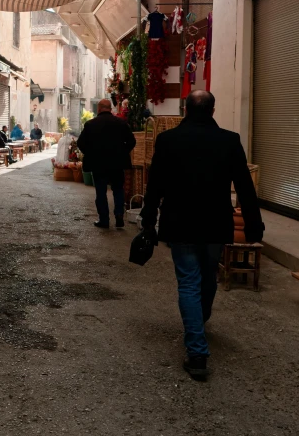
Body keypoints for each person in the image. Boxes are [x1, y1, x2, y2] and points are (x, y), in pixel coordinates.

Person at [140, 90, 264, 380]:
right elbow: (245, 187)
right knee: (208, 277)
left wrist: (148, 218)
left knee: (188, 282)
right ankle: (198, 328)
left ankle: (197, 350)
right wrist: (254, 224)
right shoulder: (229, 141)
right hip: (214, 225)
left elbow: (155, 184)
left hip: (180, 223)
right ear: (213, 110)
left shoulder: (168, 140)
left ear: (185, 109)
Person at [77, 98, 136, 229]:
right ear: (110, 109)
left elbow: (80, 143)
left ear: (99, 109)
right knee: (118, 189)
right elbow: (132, 141)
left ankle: (104, 220)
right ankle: (119, 215)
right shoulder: (121, 123)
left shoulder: (91, 124)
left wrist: (91, 153)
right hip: (117, 163)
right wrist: (122, 152)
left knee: (101, 192)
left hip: (98, 164)